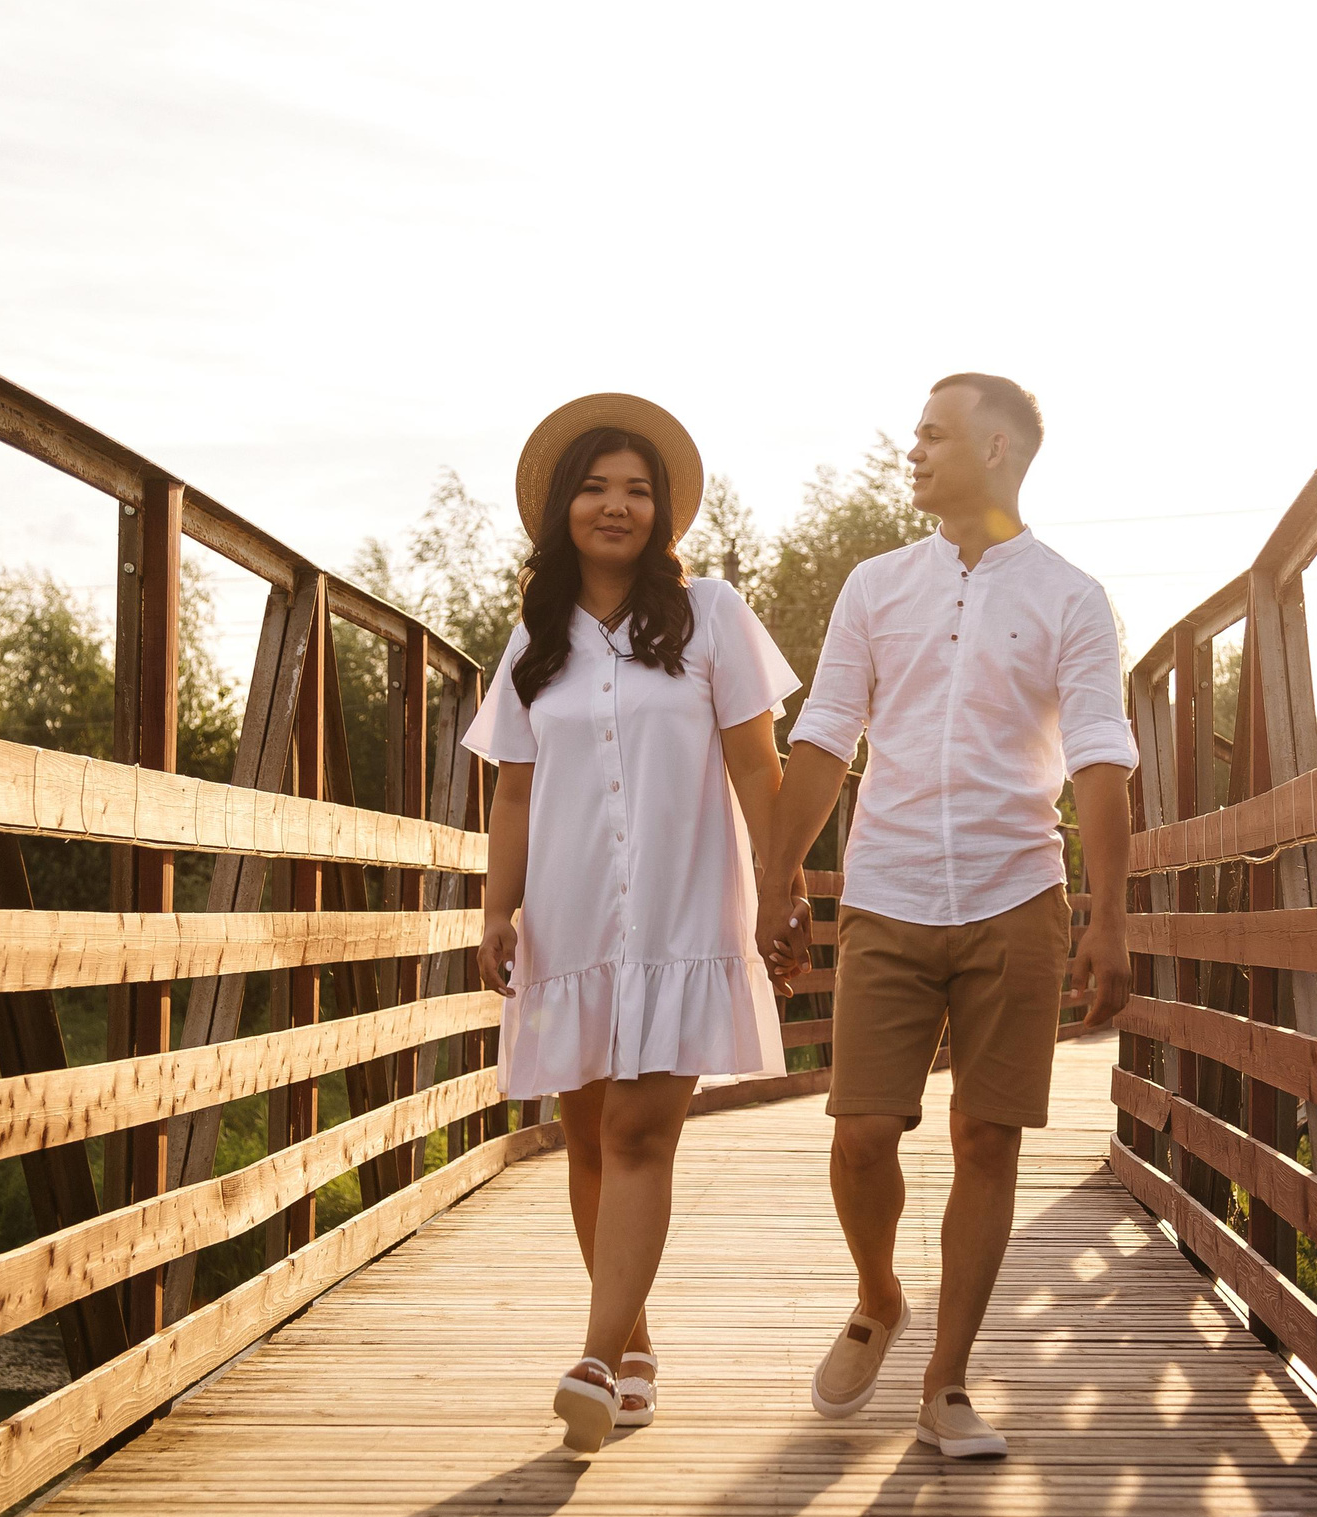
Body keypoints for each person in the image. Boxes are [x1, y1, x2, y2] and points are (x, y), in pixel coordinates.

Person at [757, 373, 1136, 1460]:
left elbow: (1099, 757)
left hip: (1018, 894)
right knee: (862, 1132)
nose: (912, 451)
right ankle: (878, 1294)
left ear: (999, 448)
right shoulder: (875, 586)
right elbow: (825, 733)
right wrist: (777, 877)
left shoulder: (1071, 597)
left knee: (986, 1135)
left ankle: (947, 1382)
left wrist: (1111, 916)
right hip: (887, 891)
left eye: (933, 434)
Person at [464, 393, 800, 1454]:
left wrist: (782, 886)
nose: (617, 506)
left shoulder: (713, 616)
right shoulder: (535, 637)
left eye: (638, 491)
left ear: (664, 513)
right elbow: (514, 788)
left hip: (680, 914)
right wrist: (497, 905)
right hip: (568, 918)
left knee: (640, 1131)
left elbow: (758, 765)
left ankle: (596, 1360)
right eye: (597, 488)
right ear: (563, 507)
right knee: (587, 1138)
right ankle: (636, 1345)